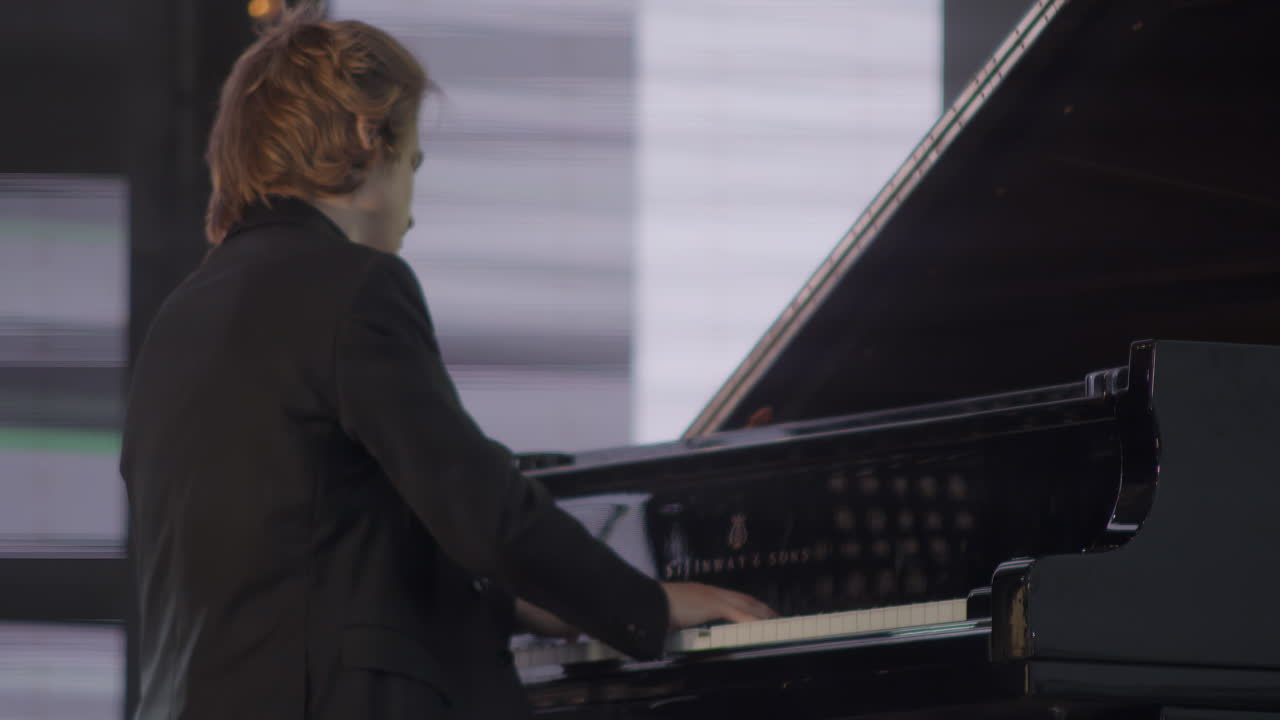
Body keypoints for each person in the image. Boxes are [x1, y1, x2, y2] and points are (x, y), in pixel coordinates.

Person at [120, 6, 773, 720]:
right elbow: (478, 504)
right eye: (414, 168)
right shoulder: (353, 285)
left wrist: (517, 602)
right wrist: (642, 604)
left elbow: (317, 545)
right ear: (371, 137)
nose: (411, 214)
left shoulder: (181, 319)